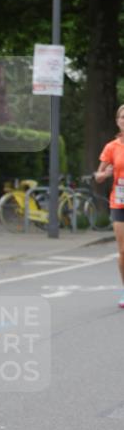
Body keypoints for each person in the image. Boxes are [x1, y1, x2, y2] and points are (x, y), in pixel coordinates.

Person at [94, 104, 124, 309]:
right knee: (123, 251)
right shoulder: (111, 147)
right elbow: (98, 176)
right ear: (117, 121)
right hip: (119, 201)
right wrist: (103, 175)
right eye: (122, 117)